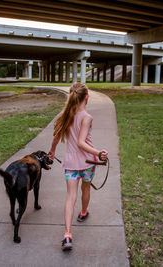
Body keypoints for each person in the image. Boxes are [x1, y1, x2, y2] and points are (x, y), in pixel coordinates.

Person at [48, 82, 108, 251]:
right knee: (86, 189)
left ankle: (67, 236)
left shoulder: (66, 114)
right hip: (88, 163)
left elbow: (56, 137)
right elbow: (82, 143)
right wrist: (98, 153)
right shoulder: (86, 117)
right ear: (86, 97)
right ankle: (83, 212)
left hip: (71, 163)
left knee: (70, 197)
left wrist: (52, 151)